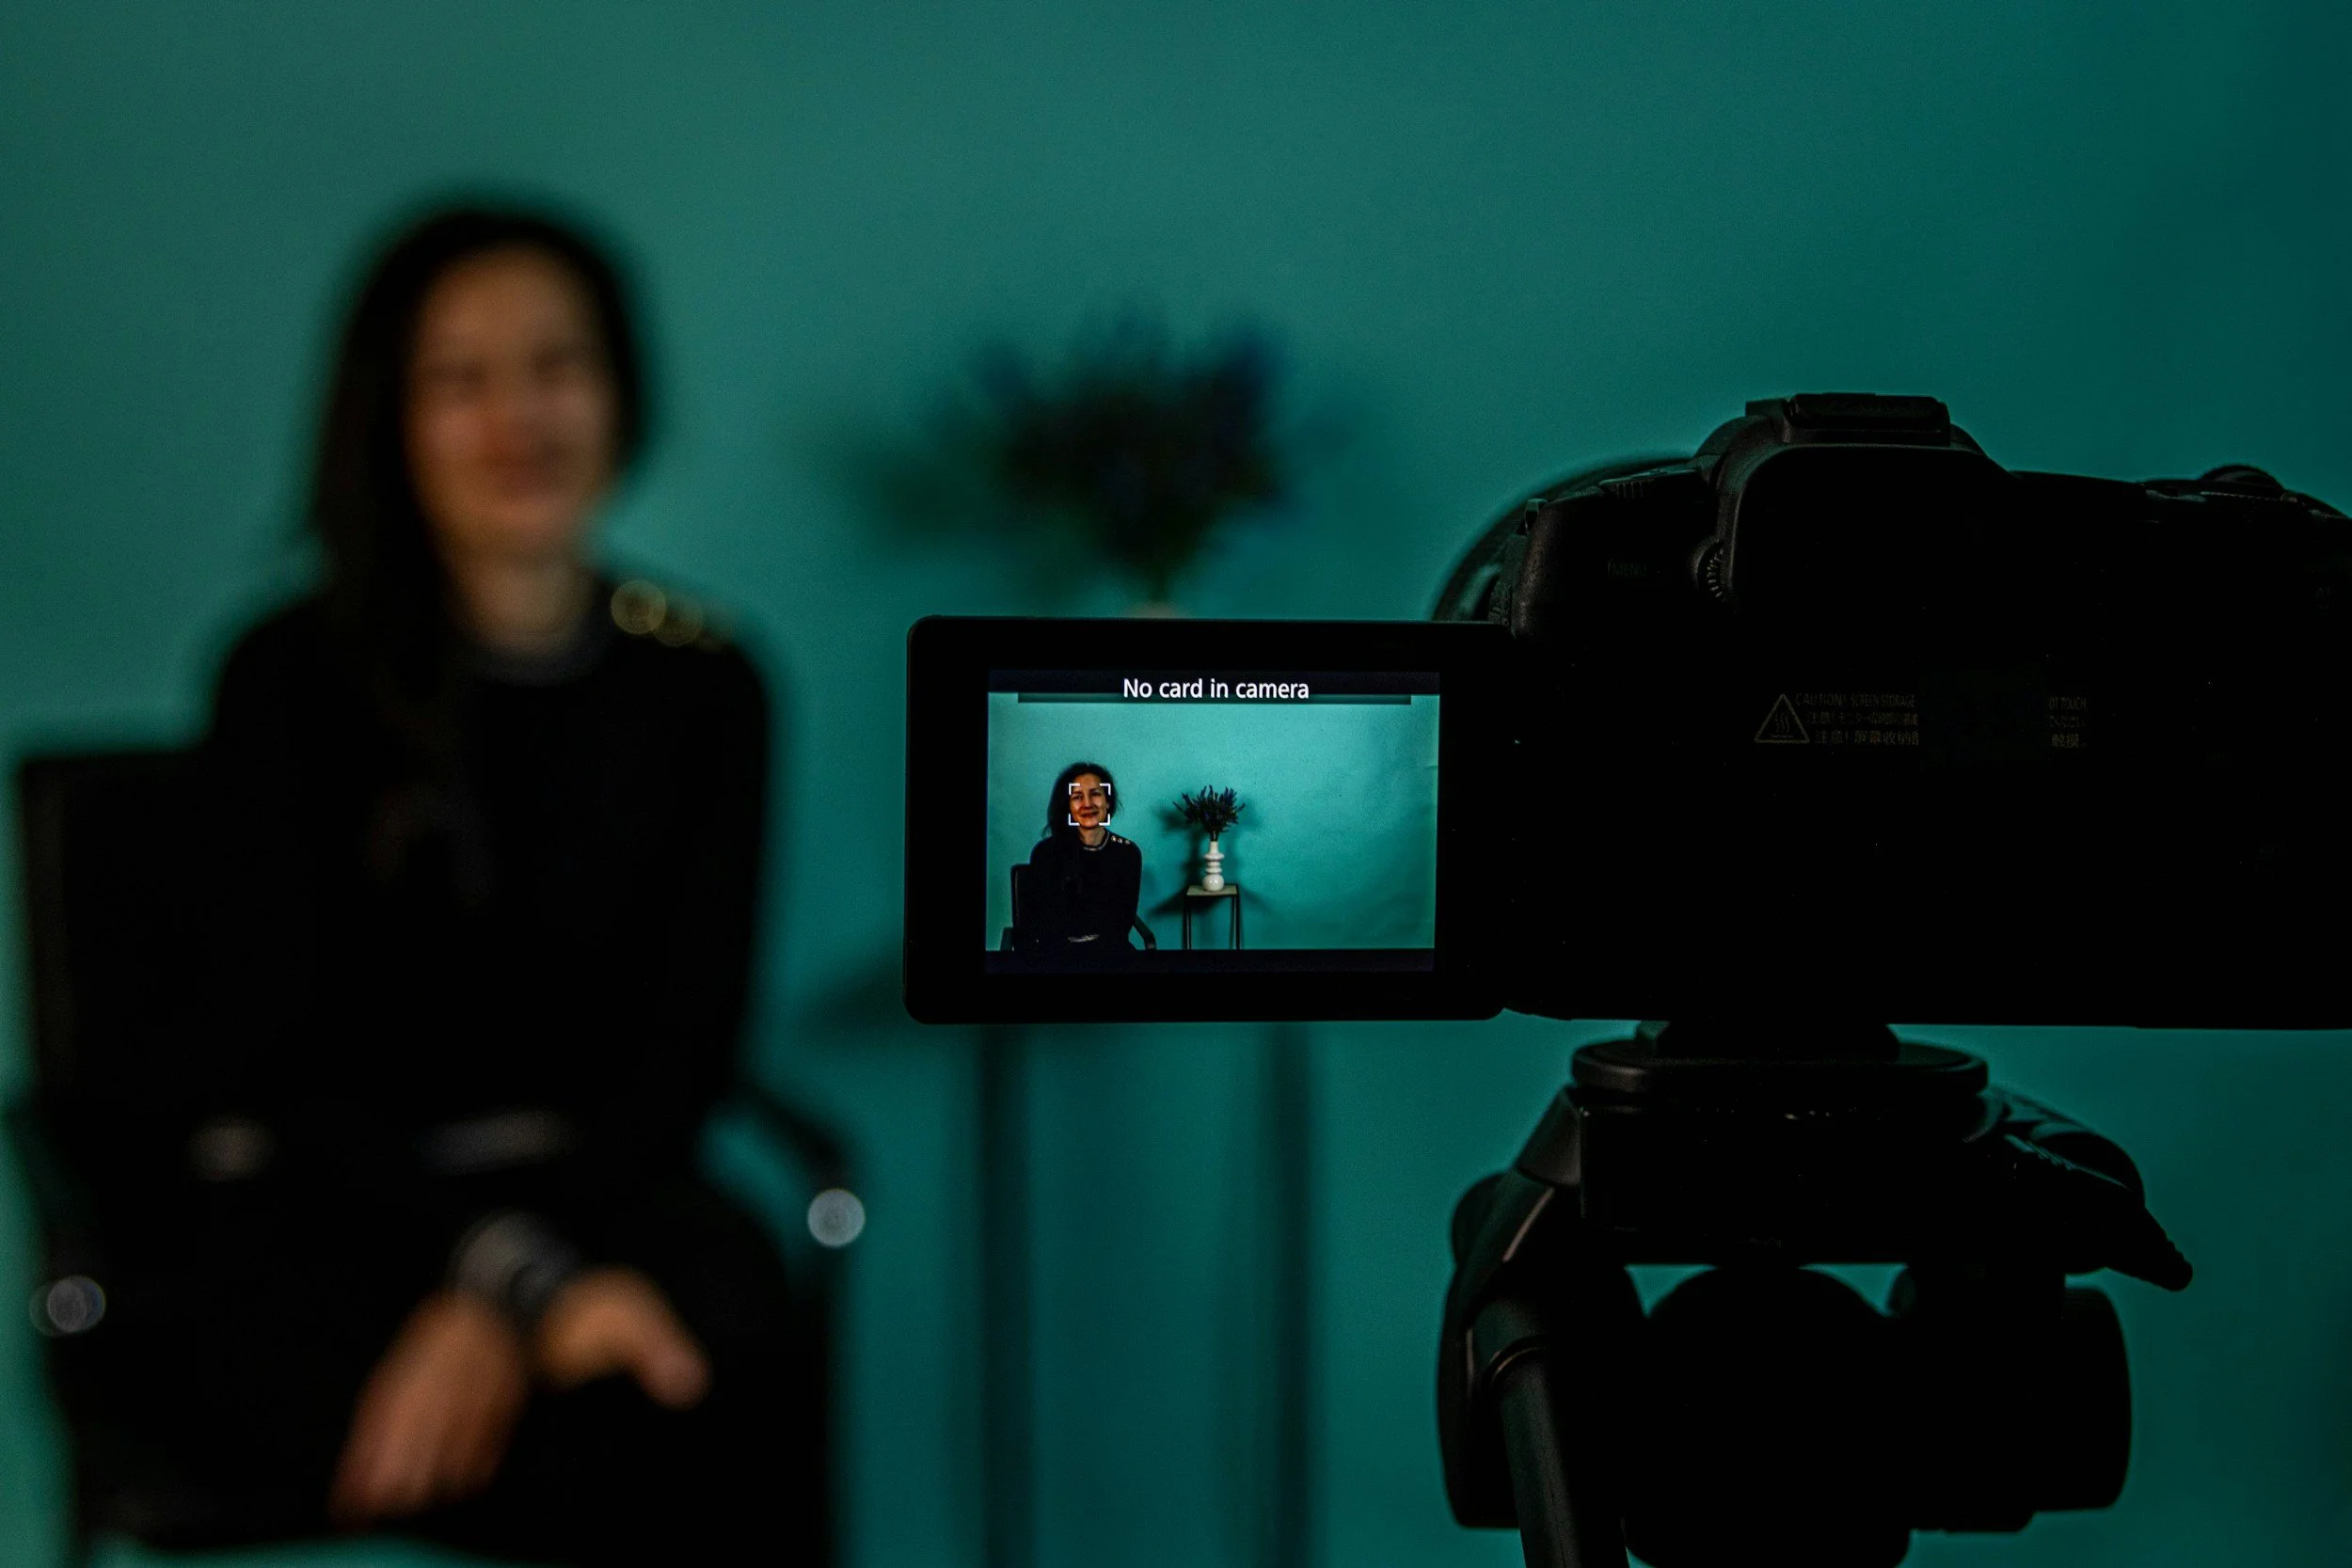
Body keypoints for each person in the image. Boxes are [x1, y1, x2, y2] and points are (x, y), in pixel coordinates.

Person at [156, 206, 818, 1562]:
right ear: (390, 418)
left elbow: (682, 1055)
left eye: (556, 366)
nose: (518, 419)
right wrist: (512, 1283)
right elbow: (279, 1068)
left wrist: (540, 1280)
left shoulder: (710, 685)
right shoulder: (285, 678)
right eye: (460, 380)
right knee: (606, 1434)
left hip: (604, 1195)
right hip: (339, 1208)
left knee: (711, 1350)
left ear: (619, 391)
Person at [1020, 761, 1146, 958]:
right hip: (1057, 957)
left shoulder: (1127, 853)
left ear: (1108, 802)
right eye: (1077, 797)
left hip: (1109, 955)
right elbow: (1042, 923)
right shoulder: (1046, 853)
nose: (1087, 803)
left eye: (1095, 794)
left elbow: (1122, 922)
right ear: (1068, 806)